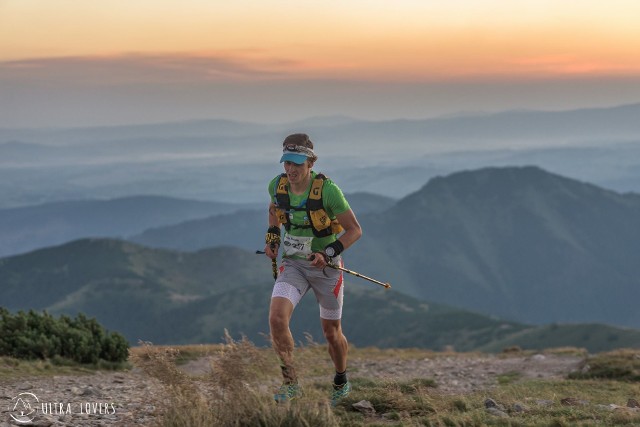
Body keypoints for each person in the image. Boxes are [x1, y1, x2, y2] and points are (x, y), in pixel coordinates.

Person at [264, 133, 362, 405]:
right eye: (287, 163)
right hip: (294, 264)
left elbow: (355, 230)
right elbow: (273, 211)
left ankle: (341, 378)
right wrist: (272, 237)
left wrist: (328, 252)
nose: (291, 169)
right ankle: (291, 383)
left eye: (297, 163)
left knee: (331, 332)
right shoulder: (277, 185)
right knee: (276, 319)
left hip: (327, 269)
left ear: (310, 162)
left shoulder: (328, 191)